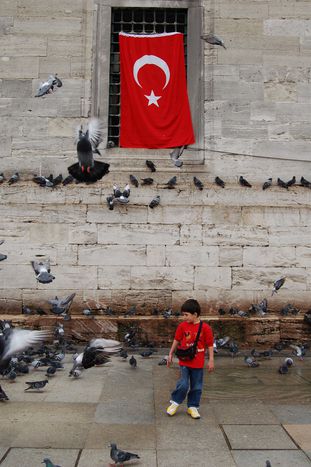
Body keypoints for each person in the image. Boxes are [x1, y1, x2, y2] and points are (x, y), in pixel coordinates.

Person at [166, 299, 214, 419]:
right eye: (183, 315)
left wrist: (211, 360)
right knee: (183, 384)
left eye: (186, 315)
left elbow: (210, 345)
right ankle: (175, 402)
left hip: (198, 363)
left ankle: (192, 407)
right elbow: (176, 340)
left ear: (195, 314)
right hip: (185, 361)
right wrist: (170, 354)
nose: (184, 317)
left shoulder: (205, 328)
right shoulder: (182, 326)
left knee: (197, 386)